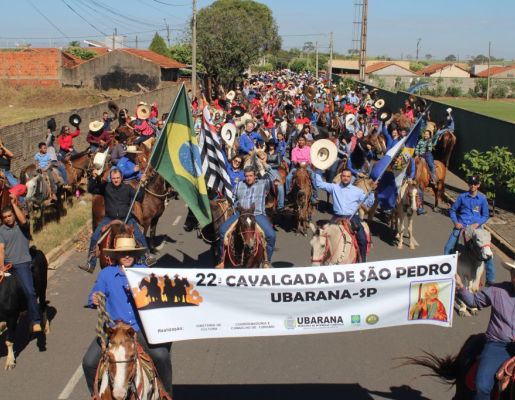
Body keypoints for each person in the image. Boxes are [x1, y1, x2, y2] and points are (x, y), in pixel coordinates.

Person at [82, 234, 172, 396]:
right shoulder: (106, 274)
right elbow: (94, 294)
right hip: (113, 330)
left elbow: (158, 296)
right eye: (123, 253)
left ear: (136, 254)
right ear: (116, 256)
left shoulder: (144, 272)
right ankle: (95, 395)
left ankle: (167, 394)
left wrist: (141, 292)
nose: (127, 256)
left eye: (130, 252)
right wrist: (94, 298)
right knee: (88, 362)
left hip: (138, 328)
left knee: (161, 356)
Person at [455, 260, 515, 400]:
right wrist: (460, 286)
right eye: (514, 273)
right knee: (482, 386)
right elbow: (473, 302)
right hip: (498, 346)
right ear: (511, 274)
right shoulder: (497, 290)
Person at [79, 167, 155, 273]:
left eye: (118, 178)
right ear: (111, 178)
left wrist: (142, 184)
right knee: (95, 237)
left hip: (127, 218)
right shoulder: (106, 187)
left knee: (140, 236)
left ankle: (146, 258)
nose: (116, 180)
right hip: (109, 218)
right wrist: (93, 178)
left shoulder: (128, 188)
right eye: (114, 178)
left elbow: (140, 197)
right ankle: (90, 264)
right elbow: (91, 189)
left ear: (122, 177)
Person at [217, 165, 276, 269]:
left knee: (271, 235)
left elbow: (274, 177)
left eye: (250, 176)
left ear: (255, 176)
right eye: (246, 176)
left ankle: (267, 261)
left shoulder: (262, 185)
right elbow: (233, 198)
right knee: (222, 231)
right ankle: (222, 260)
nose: (248, 178)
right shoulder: (239, 185)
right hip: (240, 214)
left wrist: (265, 164)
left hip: (256, 214)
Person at [314, 168, 376, 262]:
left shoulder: (357, 191)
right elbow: (319, 184)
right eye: (344, 176)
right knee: (321, 237)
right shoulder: (334, 187)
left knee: (362, 239)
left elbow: (368, 203)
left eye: (348, 176)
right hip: (337, 217)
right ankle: (321, 259)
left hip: (352, 218)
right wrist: (318, 170)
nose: (346, 178)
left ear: (351, 178)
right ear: (341, 177)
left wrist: (372, 192)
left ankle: (362, 262)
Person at [443, 175, 496, 285]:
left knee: (488, 252)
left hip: (477, 229)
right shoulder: (462, 197)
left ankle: (490, 280)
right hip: (462, 226)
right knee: (448, 247)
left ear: (478, 185)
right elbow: (453, 210)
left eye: (475, 184)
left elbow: (485, 215)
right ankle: (446, 273)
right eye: (471, 184)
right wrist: (456, 222)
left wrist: (478, 223)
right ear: (468, 184)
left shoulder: (482, 199)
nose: (473, 186)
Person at [0, 195, 42, 333]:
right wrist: (1, 266)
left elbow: (23, 219)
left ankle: (35, 320)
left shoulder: (22, 226)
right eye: (5, 217)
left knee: (29, 291)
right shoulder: (1, 230)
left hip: (22, 264)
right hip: (8, 265)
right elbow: (1, 249)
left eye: (9, 215)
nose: (8, 219)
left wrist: (14, 204)